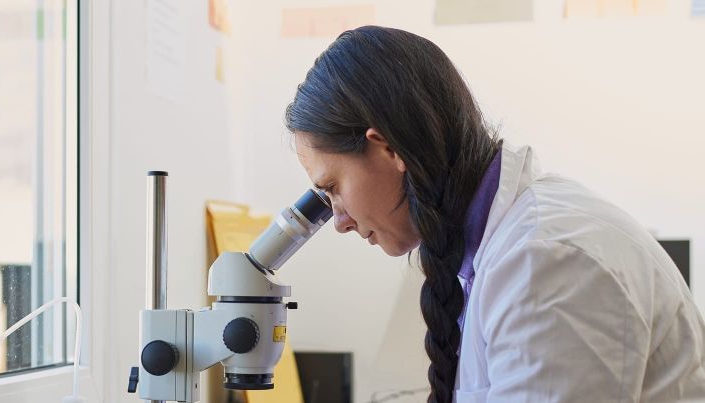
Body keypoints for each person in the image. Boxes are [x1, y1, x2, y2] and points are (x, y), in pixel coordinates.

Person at [285, 26, 705, 403]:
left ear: (388, 148)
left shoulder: (545, 261)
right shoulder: (503, 247)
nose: (339, 221)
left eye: (332, 189)